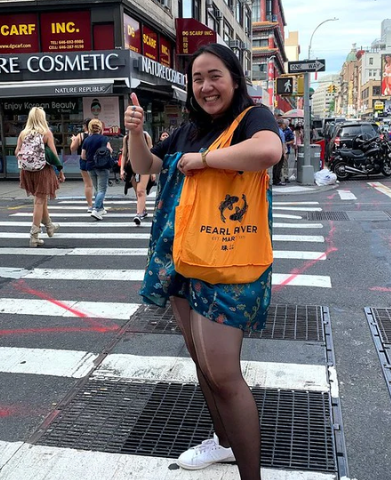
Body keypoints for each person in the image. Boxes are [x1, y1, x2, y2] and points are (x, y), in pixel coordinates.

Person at [123, 43, 282, 480]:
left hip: (228, 259)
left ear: (234, 78)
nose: (206, 86)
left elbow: (269, 151)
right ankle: (224, 442)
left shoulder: (252, 117)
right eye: (197, 78)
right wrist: (135, 133)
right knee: (201, 361)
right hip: (182, 256)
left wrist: (206, 160)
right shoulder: (189, 127)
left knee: (223, 374)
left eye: (215, 76)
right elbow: (147, 165)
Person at [15, 106, 65, 247]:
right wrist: (60, 172)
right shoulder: (46, 133)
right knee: (39, 200)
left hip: (27, 172)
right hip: (43, 171)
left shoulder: (23, 134)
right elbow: (54, 155)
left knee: (41, 199)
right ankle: (34, 235)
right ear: (42, 118)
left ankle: (49, 226)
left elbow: (16, 152)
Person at [121, 131, 156, 225]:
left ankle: (138, 214)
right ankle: (143, 210)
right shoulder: (126, 137)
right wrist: (122, 169)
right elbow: (124, 154)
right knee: (137, 191)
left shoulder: (145, 136)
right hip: (131, 166)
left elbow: (152, 153)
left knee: (141, 191)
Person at [81, 119, 113, 220]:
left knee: (97, 188)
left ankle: (101, 208)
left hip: (90, 167)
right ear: (100, 128)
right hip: (102, 166)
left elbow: (83, 156)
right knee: (102, 189)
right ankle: (96, 209)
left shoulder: (87, 140)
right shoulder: (104, 139)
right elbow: (110, 150)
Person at [70, 118, 95, 212]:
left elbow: (73, 148)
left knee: (88, 185)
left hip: (84, 161)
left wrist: (73, 140)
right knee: (98, 184)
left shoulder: (80, 136)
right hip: (97, 161)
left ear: (85, 126)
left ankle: (90, 206)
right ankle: (99, 205)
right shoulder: (98, 135)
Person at [273, 117, 287, 186]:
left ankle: (274, 179)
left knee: (275, 166)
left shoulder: (275, 131)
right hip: (280, 151)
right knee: (279, 166)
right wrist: (284, 153)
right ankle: (277, 180)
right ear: (281, 124)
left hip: (275, 150)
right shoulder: (281, 132)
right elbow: (283, 143)